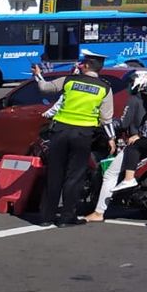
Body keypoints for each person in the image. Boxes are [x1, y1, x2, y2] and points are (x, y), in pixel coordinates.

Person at [33, 51, 116, 226]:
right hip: (83, 135)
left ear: (85, 65)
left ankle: (47, 218)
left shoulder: (69, 80)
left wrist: (38, 75)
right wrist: (111, 139)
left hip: (60, 131)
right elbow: (106, 118)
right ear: (99, 68)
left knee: (54, 174)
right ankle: (66, 218)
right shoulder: (105, 88)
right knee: (75, 176)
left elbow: (45, 88)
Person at [86, 70, 147, 223]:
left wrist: (109, 125)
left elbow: (123, 123)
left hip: (135, 144)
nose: (128, 87)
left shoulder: (134, 100)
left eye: (129, 83)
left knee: (110, 174)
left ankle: (99, 212)